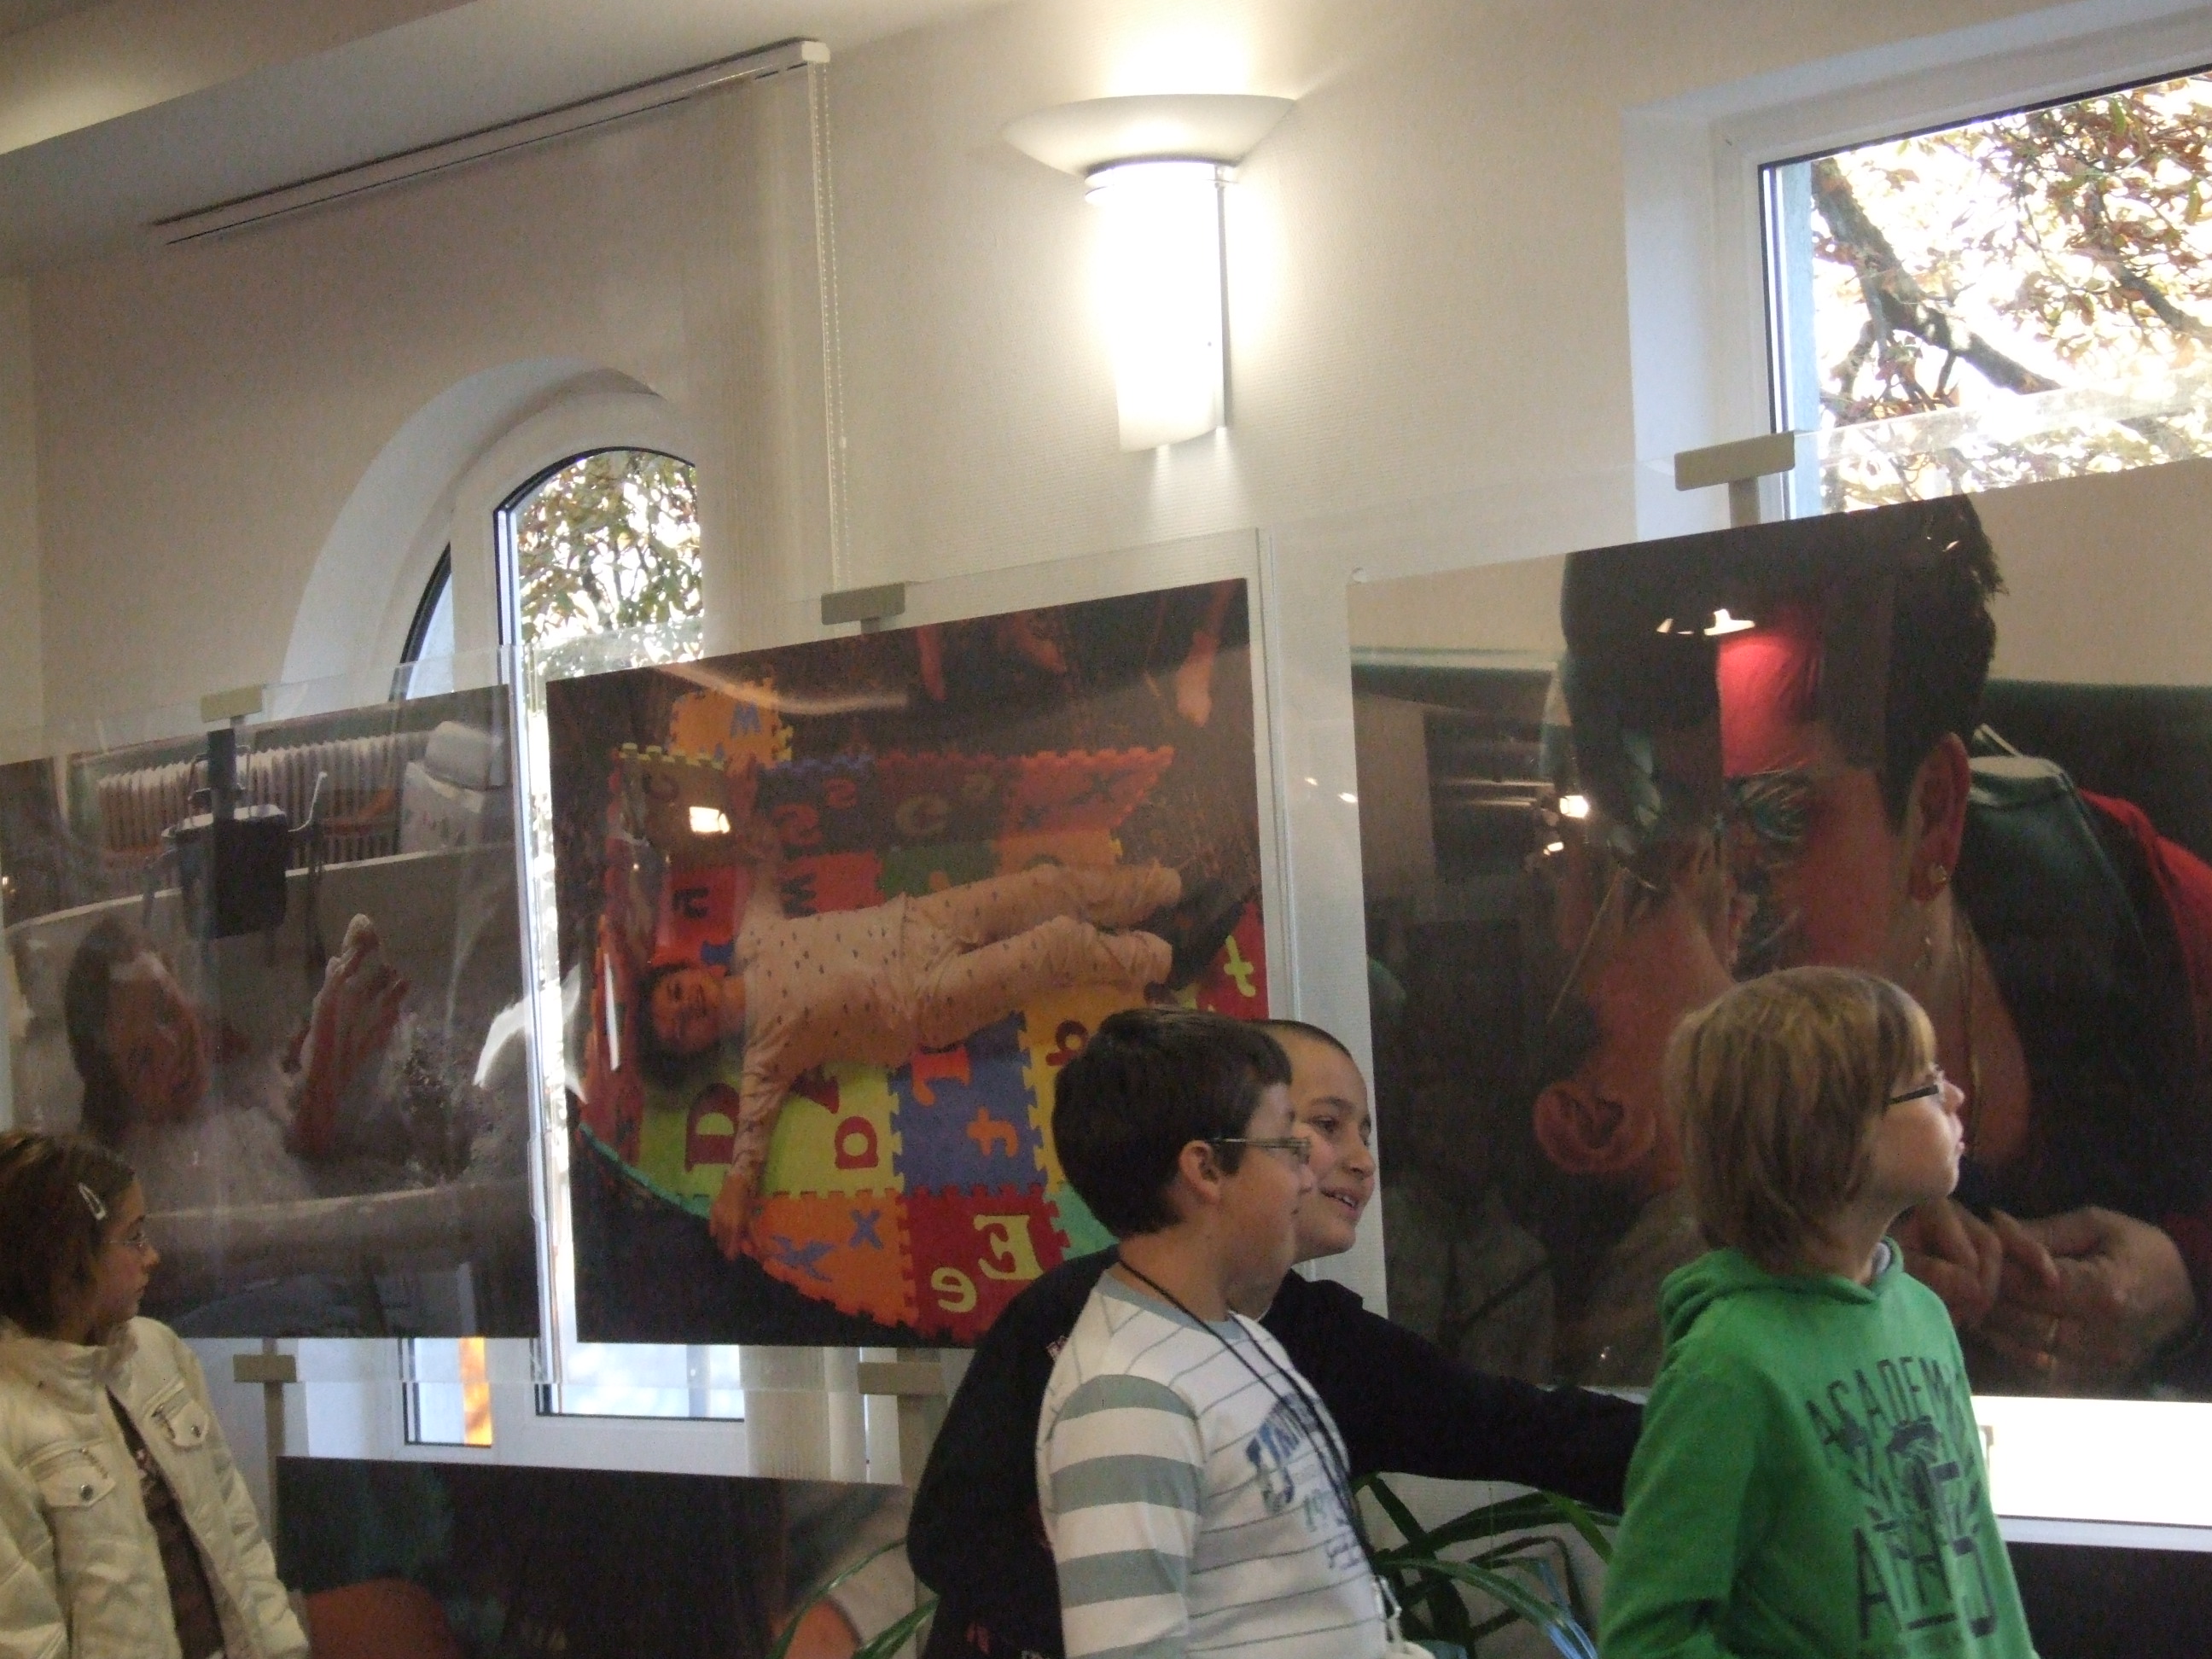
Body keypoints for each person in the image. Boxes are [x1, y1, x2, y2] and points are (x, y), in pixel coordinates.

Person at [910, 1017, 1642, 1659]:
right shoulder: (1104, 1356)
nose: (1355, 1160)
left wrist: (1696, 1441)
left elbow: (1518, 1427)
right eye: (1314, 1128)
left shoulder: (1297, 1339)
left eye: (1363, 1132)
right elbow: (959, 1534)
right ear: (1207, 1162)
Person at [1711, 498, 2212, 1393]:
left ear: (1936, 808)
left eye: (1780, 820)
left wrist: (2188, 1278)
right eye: (1674, 834)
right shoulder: (1671, 978)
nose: (1723, 889)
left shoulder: (2137, 904)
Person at [1598, 967, 2036, 1659]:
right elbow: (1647, 1637)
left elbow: (1974, 1561)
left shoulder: (1921, 1313)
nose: (1956, 1097)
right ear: (1829, 1134)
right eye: (1925, 1084)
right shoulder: (1727, 1367)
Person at [1034, 1009, 1389, 1659]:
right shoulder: (1126, 1397)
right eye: (1286, 1147)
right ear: (1206, 1170)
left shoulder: (1235, 1336)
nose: (1307, 1177)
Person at [0, 1128, 310, 1658]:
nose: (153, 1257)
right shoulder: (12, 1420)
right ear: (69, 1256)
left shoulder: (158, 1352)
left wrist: (282, 1650)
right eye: (135, 1237)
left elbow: (237, 1531)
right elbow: (24, 1635)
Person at [64, 912, 409, 1212]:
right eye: (141, 1059)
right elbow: (298, 1179)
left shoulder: (212, 1038)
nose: (171, 1047)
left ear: (176, 980)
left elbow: (272, 1069)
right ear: (121, 1098)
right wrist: (326, 1075)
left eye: (164, 1009)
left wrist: (314, 1042)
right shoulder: (167, 1175)